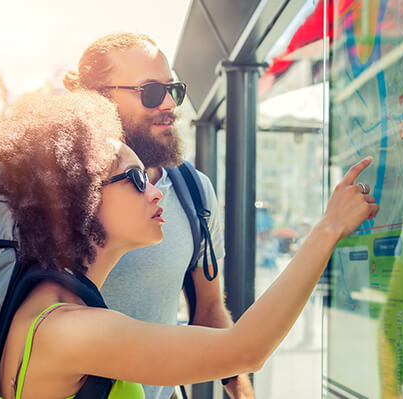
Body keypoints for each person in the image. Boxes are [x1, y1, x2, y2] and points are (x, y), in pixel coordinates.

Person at [0, 90, 378, 399]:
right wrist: (328, 229)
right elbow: (246, 349)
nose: (155, 192)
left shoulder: (53, 301)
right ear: (79, 196)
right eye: (135, 179)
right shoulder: (69, 329)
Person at [62, 33, 246, 398]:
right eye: (150, 92)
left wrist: (242, 393)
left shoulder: (196, 192)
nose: (168, 105)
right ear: (97, 99)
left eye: (172, 90)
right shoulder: (58, 192)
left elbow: (208, 311)